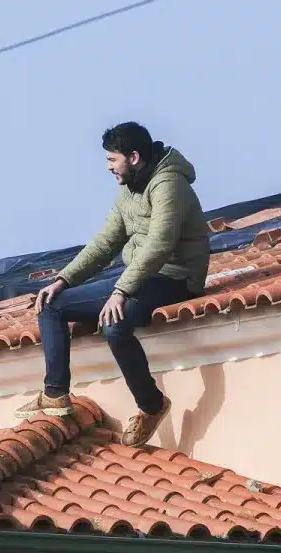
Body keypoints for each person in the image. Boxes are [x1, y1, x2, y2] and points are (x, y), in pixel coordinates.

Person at [23, 121, 210, 448]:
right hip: (141, 275)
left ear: (134, 157)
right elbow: (104, 243)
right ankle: (55, 395)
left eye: (113, 160)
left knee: (115, 325)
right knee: (52, 304)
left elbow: (160, 244)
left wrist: (121, 291)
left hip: (176, 277)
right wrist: (63, 279)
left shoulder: (169, 184)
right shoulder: (128, 190)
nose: (109, 167)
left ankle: (151, 406)